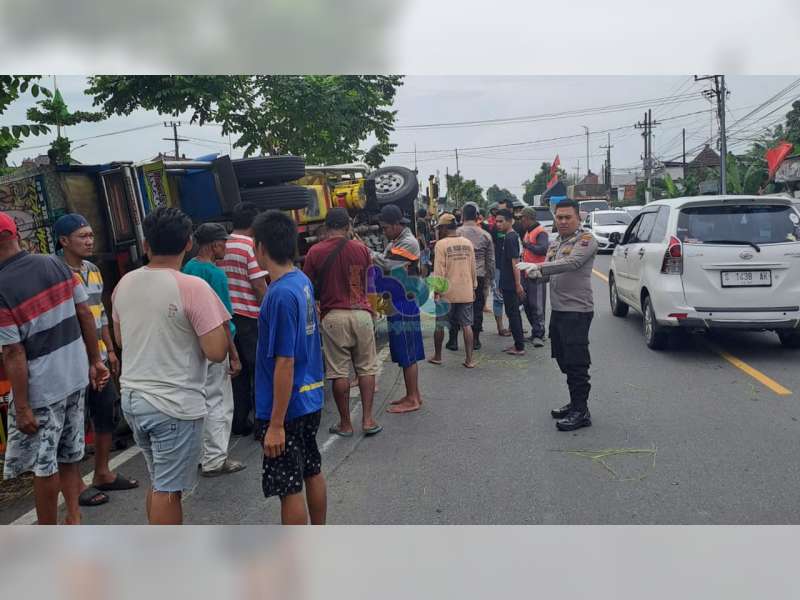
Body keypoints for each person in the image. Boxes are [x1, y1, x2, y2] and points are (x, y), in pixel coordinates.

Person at [113, 207, 231, 524]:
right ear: (188, 244)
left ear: (146, 245)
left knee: (160, 481)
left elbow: (121, 339)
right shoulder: (192, 287)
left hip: (134, 398)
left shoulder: (124, 283)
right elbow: (216, 351)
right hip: (173, 403)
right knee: (169, 489)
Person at [0, 211, 110, 525]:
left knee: (43, 463)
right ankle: (73, 518)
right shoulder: (55, 264)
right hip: (75, 375)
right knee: (69, 453)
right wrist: (95, 361)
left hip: (43, 387)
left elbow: (13, 351)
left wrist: (22, 406)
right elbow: (85, 313)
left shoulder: (2, 285)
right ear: (16, 235)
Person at [53, 214, 139, 508]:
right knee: (74, 422)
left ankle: (102, 472)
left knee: (107, 411)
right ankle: (76, 484)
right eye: (83, 236)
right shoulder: (56, 272)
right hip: (72, 360)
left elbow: (99, 313)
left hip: (98, 356)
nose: (90, 241)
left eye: (91, 235)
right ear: (64, 241)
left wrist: (111, 350)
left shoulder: (92, 270)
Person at [252, 210, 327, 525]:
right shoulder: (300, 280)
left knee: (289, 486)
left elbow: (284, 361)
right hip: (309, 396)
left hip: (287, 406)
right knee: (311, 469)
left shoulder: (280, 294)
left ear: (261, 247)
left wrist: (276, 424)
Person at [303, 208, 381, 438]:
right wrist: (373, 311)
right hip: (361, 313)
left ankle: (345, 424)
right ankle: (368, 420)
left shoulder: (315, 251)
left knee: (339, 372)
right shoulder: (361, 249)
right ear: (348, 226)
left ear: (326, 227)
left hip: (333, 316)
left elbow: (306, 286)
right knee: (366, 368)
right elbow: (370, 283)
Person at [523, 199, 599, 431]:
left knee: (577, 362)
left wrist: (539, 267)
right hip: (558, 310)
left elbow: (573, 263)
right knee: (562, 358)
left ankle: (581, 411)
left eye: (568, 217)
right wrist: (534, 275)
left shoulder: (586, 239)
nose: (563, 221)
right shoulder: (555, 242)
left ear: (578, 218)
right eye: (559, 217)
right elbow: (548, 273)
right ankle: (575, 402)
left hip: (577, 310)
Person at [182, 223, 246, 477]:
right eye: (224, 243)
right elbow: (223, 318)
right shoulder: (216, 274)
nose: (226, 248)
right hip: (216, 343)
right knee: (219, 401)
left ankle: (202, 456)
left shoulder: (189, 268)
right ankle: (216, 459)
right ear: (214, 244)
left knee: (200, 401)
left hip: (194, 344)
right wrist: (234, 354)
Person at [219, 202, 269, 438]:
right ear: (254, 224)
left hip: (227, 318)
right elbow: (259, 284)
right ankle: (261, 422)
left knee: (237, 371)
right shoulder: (250, 246)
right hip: (250, 316)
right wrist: (268, 310)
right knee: (259, 370)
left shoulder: (221, 244)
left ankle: (239, 420)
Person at [372, 204, 424, 414]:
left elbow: (386, 265)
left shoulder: (408, 242)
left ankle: (412, 399)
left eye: (385, 227)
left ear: (396, 225)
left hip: (404, 302)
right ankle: (413, 394)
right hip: (398, 301)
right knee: (404, 351)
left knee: (407, 353)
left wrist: (366, 252)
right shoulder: (397, 240)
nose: (384, 231)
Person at [428, 212, 477, 368]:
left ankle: (438, 356)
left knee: (440, 325)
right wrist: (473, 286)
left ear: (444, 228)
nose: (439, 231)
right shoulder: (468, 243)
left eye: (439, 228)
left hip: (447, 293)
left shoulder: (441, 245)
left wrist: (437, 291)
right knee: (467, 325)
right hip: (466, 290)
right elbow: (473, 268)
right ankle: (469, 359)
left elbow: (439, 271)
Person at [457, 203, 494, 351]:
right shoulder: (485, 235)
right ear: (477, 216)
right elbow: (490, 260)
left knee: (458, 307)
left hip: (460, 275)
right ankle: (476, 339)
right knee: (477, 308)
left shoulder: (456, 233)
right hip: (479, 276)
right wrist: (490, 279)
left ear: (463, 216)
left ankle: (454, 339)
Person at [495, 208, 526, 356]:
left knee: (513, 314)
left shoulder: (511, 238)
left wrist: (518, 284)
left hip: (511, 283)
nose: (498, 224)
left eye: (501, 221)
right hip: (507, 282)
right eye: (496, 221)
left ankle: (519, 346)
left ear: (509, 221)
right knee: (512, 313)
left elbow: (515, 262)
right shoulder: (508, 236)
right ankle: (517, 343)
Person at [519, 207, 550, 347]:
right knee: (527, 304)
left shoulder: (540, 232)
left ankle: (539, 335)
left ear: (528, 218)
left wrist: (527, 245)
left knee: (537, 305)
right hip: (526, 273)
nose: (521, 220)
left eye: (522, 218)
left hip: (537, 274)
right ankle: (535, 331)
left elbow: (543, 249)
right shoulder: (528, 231)